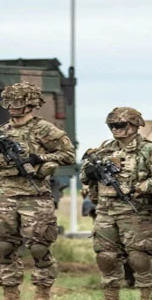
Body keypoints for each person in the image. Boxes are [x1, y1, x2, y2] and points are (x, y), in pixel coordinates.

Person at [80, 107, 152, 300]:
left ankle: (146, 295)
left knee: (139, 257)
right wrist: (89, 173)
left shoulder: (149, 150)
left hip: (136, 211)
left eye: (119, 125)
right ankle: (110, 296)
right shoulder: (104, 149)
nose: (115, 129)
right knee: (106, 256)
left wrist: (139, 188)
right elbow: (85, 175)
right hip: (105, 210)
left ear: (133, 125)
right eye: (111, 125)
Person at [0, 82, 76, 300]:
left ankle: (42, 293)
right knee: (4, 247)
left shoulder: (44, 129)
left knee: (39, 247)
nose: (12, 107)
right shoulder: (3, 132)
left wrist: (39, 158)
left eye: (17, 102)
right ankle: (10, 293)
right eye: (8, 102)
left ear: (30, 104)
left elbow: (68, 155)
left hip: (35, 196)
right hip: (5, 195)